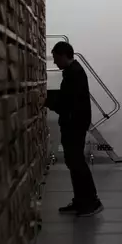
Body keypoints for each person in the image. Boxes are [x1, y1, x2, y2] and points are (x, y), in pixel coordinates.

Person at [46, 41, 103, 217]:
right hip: (73, 123)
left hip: (75, 125)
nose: (55, 63)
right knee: (73, 162)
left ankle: (92, 202)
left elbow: (68, 103)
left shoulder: (75, 73)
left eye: (56, 58)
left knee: (77, 162)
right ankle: (80, 200)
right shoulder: (72, 72)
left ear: (64, 55)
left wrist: (48, 102)